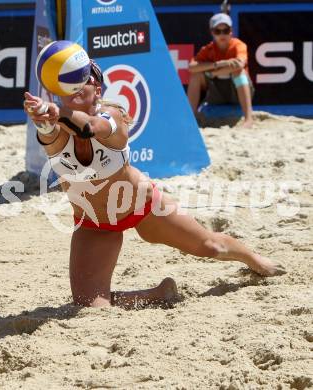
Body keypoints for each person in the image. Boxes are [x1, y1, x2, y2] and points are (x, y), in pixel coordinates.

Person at [23, 58, 285, 309]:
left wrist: (57, 112)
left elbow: (89, 127)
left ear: (98, 90)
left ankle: (253, 259)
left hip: (143, 207)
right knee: (88, 305)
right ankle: (158, 294)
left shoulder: (112, 117)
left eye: (84, 79)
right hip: (94, 223)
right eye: (70, 82)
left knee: (209, 246)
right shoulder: (55, 130)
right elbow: (49, 133)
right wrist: (43, 118)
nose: (77, 85)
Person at [187, 13, 254, 128]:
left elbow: (239, 65)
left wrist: (213, 73)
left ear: (231, 31)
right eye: (218, 31)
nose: (222, 34)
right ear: (212, 32)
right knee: (196, 75)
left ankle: (249, 119)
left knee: (239, 72)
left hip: (238, 92)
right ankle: (190, 118)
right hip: (217, 94)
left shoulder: (238, 45)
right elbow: (191, 67)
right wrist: (218, 64)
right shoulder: (208, 49)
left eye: (225, 30)